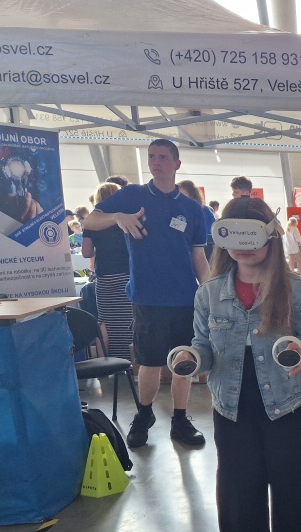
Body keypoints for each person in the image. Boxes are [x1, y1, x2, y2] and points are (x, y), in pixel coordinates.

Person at [176, 196, 301, 532]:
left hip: (289, 404)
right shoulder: (209, 294)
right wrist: (192, 358)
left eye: (251, 236)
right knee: (239, 492)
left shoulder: (296, 291)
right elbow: (202, 345)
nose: (243, 247)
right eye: (233, 236)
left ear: (270, 238)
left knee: (295, 488)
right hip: (232, 406)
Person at [84, 138, 209, 449]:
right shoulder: (132, 196)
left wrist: (210, 292)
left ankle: (180, 420)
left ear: (177, 164)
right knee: (149, 362)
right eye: (152, 156)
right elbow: (89, 220)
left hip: (184, 298)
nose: (156, 162)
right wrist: (117, 217)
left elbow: (198, 256)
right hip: (147, 297)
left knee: (183, 361)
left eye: (163, 157)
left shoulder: (192, 209)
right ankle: (144, 415)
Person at [81, 181, 132, 358]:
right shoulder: (126, 218)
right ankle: (132, 361)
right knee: (131, 319)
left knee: (105, 322)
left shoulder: (92, 223)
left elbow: (86, 252)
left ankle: (106, 364)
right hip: (128, 275)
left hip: (105, 278)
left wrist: (100, 249)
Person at [178, 180, 216, 262]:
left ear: (193, 197)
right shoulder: (178, 213)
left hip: (203, 251)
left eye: (183, 197)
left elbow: (207, 234)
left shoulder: (205, 211)